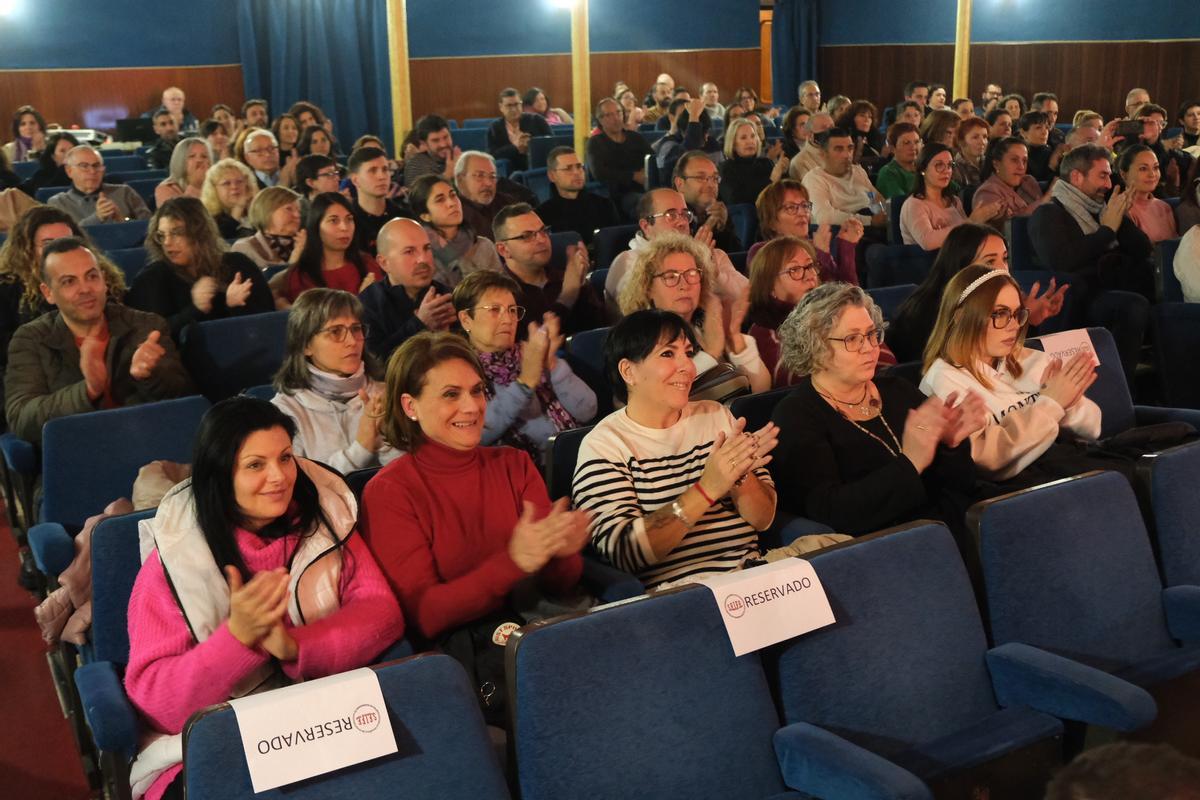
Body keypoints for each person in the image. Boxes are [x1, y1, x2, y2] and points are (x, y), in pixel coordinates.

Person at [125, 396, 404, 800]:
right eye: (255, 465)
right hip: (222, 735)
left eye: (286, 458)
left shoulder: (325, 517)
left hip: (327, 716)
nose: (279, 477)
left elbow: (381, 612)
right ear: (220, 475)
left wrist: (294, 646)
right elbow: (157, 706)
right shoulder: (175, 556)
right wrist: (237, 639)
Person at [359, 331, 589, 645]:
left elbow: (560, 586)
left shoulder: (513, 464)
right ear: (410, 406)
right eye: (451, 394)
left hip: (542, 630)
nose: (472, 407)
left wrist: (563, 554)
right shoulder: (389, 492)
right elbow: (426, 615)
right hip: (471, 655)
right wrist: (514, 562)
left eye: (477, 391)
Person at [570, 308, 817, 589]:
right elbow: (624, 552)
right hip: (678, 595)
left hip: (753, 576)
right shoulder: (604, 446)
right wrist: (708, 488)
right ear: (629, 371)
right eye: (667, 354)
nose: (687, 367)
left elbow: (763, 519)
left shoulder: (716, 416)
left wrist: (740, 477)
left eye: (688, 353)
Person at [769, 282, 982, 538]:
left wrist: (951, 445)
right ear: (815, 346)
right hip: (880, 549)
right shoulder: (796, 416)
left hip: (945, 528)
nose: (870, 348)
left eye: (871, 334)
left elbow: (961, 485)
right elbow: (830, 513)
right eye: (852, 339)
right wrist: (911, 462)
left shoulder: (898, 389)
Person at [920, 265, 1100, 483]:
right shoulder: (943, 379)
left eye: (1016, 314)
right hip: (1017, 492)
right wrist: (1052, 404)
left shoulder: (1027, 358)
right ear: (961, 316)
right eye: (1000, 314)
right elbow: (989, 463)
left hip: (1066, 468)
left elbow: (1094, 429)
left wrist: (1067, 404)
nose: (1013, 326)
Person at [5, 237, 192, 443]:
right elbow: (21, 419)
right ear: (48, 292)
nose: (85, 289)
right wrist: (88, 390)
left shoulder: (146, 326)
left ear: (104, 281)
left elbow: (182, 395)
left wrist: (150, 376)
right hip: (77, 452)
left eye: (92, 277)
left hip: (147, 442)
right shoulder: (30, 339)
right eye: (69, 282)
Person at [453, 271, 596, 464]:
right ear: (466, 319)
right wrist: (525, 382)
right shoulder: (459, 370)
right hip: (518, 471)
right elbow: (479, 432)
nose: (508, 319)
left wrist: (552, 364)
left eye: (512, 310)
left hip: (577, 455)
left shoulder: (530, 352)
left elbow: (588, 410)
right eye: (495, 310)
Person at [0, 207, 128, 417]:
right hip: (43, 394)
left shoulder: (102, 286)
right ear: (27, 249)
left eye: (68, 241)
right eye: (49, 244)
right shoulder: (7, 293)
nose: (61, 250)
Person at [618, 232, 769, 393]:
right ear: (647, 288)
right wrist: (712, 352)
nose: (684, 285)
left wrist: (736, 341)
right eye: (670, 276)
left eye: (691, 274)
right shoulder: (638, 336)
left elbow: (761, 390)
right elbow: (666, 398)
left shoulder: (710, 323)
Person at [271, 288, 400, 472]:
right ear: (306, 345)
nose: (352, 341)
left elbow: (415, 473)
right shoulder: (284, 412)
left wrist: (388, 441)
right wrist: (361, 449)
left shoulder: (388, 393)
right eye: (335, 331)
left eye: (356, 329)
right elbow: (299, 485)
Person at [748, 235, 894, 387]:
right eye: (795, 270)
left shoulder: (836, 312)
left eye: (810, 266)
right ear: (770, 286)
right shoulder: (763, 330)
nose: (810, 276)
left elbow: (888, 364)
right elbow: (794, 379)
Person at [1029, 144, 1154, 315]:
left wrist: (1121, 217)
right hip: (1079, 297)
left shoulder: (1101, 209)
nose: (1109, 184)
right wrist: (1107, 230)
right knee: (1134, 305)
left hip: (1115, 285)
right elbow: (1061, 261)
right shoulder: (1048, 213)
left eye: (1109, 177)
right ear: (1076, 177)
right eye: (1103, 176)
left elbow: (1144, 249)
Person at [127, 197, 273, 341]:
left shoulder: (238, 265)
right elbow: (153, 337)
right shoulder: (152, 278)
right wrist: (195, 309)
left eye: (177, 233)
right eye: (161, 235)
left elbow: (269, 322)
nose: (167, 242)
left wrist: (235, 306)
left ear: (200, 233)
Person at [605, 188, 747, 316]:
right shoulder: (628, 261)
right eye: (671, 215)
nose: (682, 222)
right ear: (646, 226)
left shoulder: (713, 255)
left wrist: (712, 271)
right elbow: (640, 310)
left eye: (685, 215)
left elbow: (750, 299)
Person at [493, 203, 603, 335]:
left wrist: (582, 286)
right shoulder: (497, 295)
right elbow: (531, 345)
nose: (541, 240)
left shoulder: (566, 277)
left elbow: (600, 331)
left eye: (543, 231)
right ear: (503, 249)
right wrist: (568, 295)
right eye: (526, 236)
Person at [361, 218, 455, 361]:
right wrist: (419, 324)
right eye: (409, 251)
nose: (423, 259)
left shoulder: (449, 296)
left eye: (427, 248)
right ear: (384, 263)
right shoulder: (367, 305)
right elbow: (374, 363)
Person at [748, 179, 861, 285]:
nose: (802, 213)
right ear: (771, 222)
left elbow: (850, 294)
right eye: (791, 208)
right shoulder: (761, 252)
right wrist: (820, 254)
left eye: (804, 205)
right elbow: (814, 296)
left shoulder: (814, 245)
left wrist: (846, 246)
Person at [279, 192, 383, 304]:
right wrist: (361, 300)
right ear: (316, 226)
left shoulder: (367, 263)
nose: (344, 227)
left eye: (349, 219)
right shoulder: (301, 276)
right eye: (334, 220)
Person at [901, 144, 1001, 250]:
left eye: (949, 165)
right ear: (923, 169)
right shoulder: (914, 204)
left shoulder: (954, 201)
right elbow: (928, 242)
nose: (946, 171)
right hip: (927, 262)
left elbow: (965, 237)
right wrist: (970, 222)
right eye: (939, 165)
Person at [409, 174, 501, 288]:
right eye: (440, 200)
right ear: (425, 216)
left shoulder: (483, 246)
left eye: (453, 195)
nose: (452, 203)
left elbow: (503, 288)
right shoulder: (423, 257)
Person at [801, 128, 886, 228]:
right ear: (823, 154)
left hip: (873, 224)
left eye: (850, 148)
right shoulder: (814, 179)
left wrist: (880, 214)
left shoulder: (858, 171)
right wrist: (870, 221)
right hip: (845, 233)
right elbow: (824, 216)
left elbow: (875, 198)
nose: (847, 155)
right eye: (839, 149)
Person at [48, 145, 151, 226]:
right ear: (69, 171)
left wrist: (123, 220)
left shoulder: (124, 192)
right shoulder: (58, 203)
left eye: (96, 166)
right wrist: (96, 218)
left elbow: (149, 228)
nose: (92, 171)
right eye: (84, 166)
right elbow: (63, 239)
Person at [536, 146, 618, 247]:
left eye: (579, 166)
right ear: (552, 176)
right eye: (568, 168)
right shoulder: (542, 215)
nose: (576, 173)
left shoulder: (604, 205)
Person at [586, 97, 653, 219]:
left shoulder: (636, 138)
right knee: (646, 204)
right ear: (600, 120)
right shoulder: (595, 143)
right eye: (609, 115)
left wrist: (647, 173)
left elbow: (652, 159)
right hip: (616, 194)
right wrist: (633, 176)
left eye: (618, 113)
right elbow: (599, 173)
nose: (616, 118)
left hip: (644, 188)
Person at [674, 150, 742, 253]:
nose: (711, 185)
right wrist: (708, 225)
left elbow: (736, 261)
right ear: (680, 184)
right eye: (701, 178)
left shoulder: (719, 211)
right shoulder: (670, 217)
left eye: (715, 178)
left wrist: (723, 229)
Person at [972, 137, 1051, 221]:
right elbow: (1009, 227)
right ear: (996, 164)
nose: (1021, 167)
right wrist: (1045, 200)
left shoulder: (1028, 181)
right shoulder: (987, 192)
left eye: (1024, 161)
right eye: (1014, 160)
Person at [346, 146, 407, 255]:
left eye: (385, 169)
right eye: (372, 171)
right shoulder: (347, 223)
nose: (381, 176)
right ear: (355, 180)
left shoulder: (403, 217)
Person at [230, 186, 305, 269]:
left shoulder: (309, 243)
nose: (297, 215)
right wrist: (295, 258)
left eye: (299, 210)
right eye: (288, 209)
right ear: (267, 212)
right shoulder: (244, 248)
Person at [1117, 144, 1179, 243]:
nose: (1152, 174)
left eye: (1156, 167)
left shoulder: (1164, 207)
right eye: (1143, 168)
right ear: (1124, 174)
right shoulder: (1121, 210)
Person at [718, 118, 787, 207]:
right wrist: (771, 181)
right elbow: (736, 198)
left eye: (753, 136)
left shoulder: (766, 163)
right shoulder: (726, 168)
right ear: (733, 143)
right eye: (743, 138)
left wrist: (783, 173)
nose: (750, 141)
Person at [454, 150, 519, 241]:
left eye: (492, 177)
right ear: (460, 179)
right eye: (479, 176)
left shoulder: (507, 203)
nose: (488, 183)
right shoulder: (454, 214)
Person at [654, 99, 722, 182]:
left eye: (706, 132)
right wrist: (693, 117)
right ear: (683, 132)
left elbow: (720, 176)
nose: (706, 138)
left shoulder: (712, 143)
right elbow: (679, 168)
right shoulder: (668, 145)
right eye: (700, 135)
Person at [486, 88, 552, 173]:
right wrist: (515, 147)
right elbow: (492, 156)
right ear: (501, 107)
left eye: (517, 104)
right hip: (510, 172)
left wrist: (530, 145)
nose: (514, 109)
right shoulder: (495, 127)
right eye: (509, 105)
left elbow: (551, 145)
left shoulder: (536, 120)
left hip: (538, 168)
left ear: (521, 104)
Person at [201, 158, 258, 239]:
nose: (234, 187)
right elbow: (220, 240)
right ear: (214, 189)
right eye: (226, 183)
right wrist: (238, 208)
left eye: (239, 181)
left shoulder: (257, 214)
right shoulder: (208, 220)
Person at [403, 115, 461, 186]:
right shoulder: (416, 164)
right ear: (424, 144)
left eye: (446, 137)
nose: (443, 144)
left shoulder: (460, 158)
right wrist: (447, 175)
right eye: (435, 140)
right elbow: (420, 194)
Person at [154, 138, 211, 207]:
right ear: (180, 160)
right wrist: (195, 185)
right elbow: (178, 215)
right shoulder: (165, 189)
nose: (199, 160)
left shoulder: (216, 184)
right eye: (192, 156)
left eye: (204, 156)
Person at [18, 131, 77, 196]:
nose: (68, 154)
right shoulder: (41, 176)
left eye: (72, 150)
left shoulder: (85, 174)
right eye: (62, 151)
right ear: (53, 156)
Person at [874, 122, 922, 199]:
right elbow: (901, 203)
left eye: (916, 142)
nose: (913, 147)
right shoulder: (888, 173)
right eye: (906, 143)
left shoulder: (925, 168)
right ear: (892, 148)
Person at [292, 154, 340, 224]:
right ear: (310, 182)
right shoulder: (300, 212)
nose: (337, 178)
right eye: (329, 174)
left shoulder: (341, 203)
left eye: (336, 173)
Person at [1017, 111, 1065, 182]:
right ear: (1023, 133)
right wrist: (1051, 166)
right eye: (1038, 128)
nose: (1045, 132)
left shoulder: (1051, 150)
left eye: (1046, 127)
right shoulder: (1020, 155)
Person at [787, 112, 834, 182]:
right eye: (823, 128)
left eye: (831, 127)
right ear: (810, 134)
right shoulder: (800, 162)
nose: (830, 132)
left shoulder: (841, 151)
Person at [952, 116, 990, 187]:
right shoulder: (954, 168)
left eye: (985, 137)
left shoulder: (990, 162)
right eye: (975, 137)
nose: (982, 142)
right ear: (961, 141)